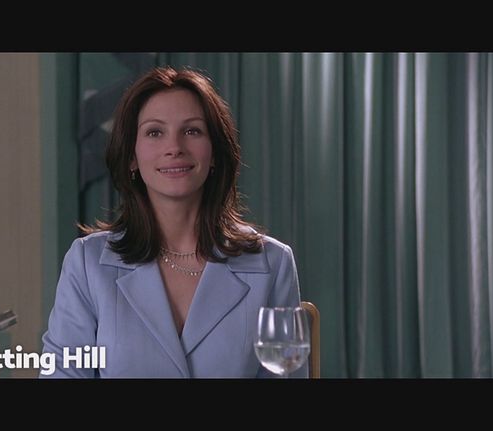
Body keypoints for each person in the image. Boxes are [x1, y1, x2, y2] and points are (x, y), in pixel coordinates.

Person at [41, 66, 304, 378]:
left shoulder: (273, 263)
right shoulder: (87, 263)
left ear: (215, 152)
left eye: (192, 131)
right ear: (132, 157)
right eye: (155, 132)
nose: (174, 148)